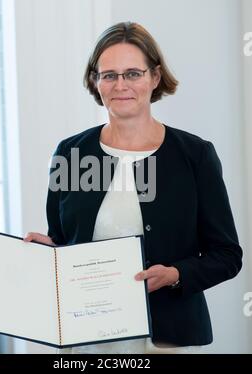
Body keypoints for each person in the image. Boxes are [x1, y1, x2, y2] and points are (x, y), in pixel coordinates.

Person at [24, 22, 242, 354]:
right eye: (109, 75)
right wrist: (46, 253)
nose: (120, 85)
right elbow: (64, 242)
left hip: (168, 340)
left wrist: (174, 274)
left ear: (155, 77)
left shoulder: (194, 155)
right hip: (86, 339)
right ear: (95, 82)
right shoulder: (70, 153)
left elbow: (227, 255)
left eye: (133, 74)